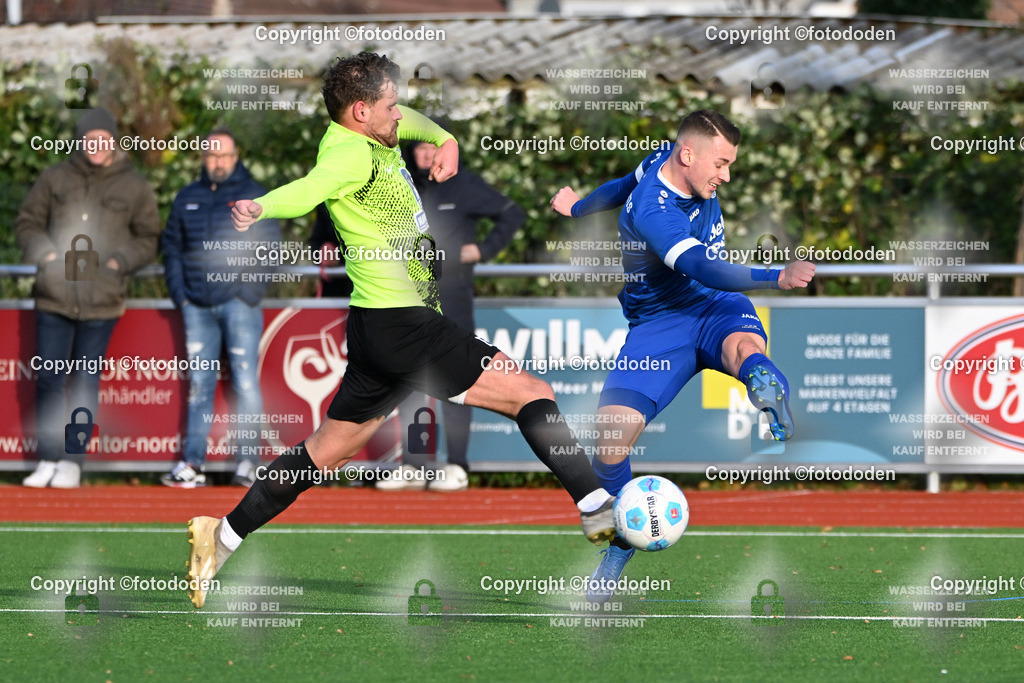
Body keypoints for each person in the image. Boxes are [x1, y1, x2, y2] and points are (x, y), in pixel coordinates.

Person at [183, 53, 614, 609]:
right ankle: (599, 505)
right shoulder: (346, 156)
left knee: (323, 454)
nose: (399, 116)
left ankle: (218, 537)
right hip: (402, 324)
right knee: (532, 393)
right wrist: (259, 205)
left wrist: (448, 139)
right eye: (388, 106)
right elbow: (307, 189)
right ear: (361, 111)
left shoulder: (372, 132)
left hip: (376, 328)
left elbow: (413, 119)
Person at [551, 110, 815, 602]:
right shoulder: (655, 209)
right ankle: (621, 541)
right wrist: (774, 277)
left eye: (731, 164)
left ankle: (766, 387)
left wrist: (579, 207)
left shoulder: (660, 161)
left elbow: (617, 186)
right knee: (608, 444)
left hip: (714, 306)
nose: (727, 176)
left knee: (744, 347)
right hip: (660, 326)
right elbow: (700, 265)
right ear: (687, 155)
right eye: (722, 163)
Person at [15, 107, 160, 488]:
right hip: (54, 297)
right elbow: (27, 223)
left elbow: (149, 237)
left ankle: (72, 462)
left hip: (102, 303)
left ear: (113, 141)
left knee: (83, 382)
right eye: (89, 139)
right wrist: (46, 256)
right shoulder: (54, 177)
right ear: (81, 141)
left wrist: (119, 261)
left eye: (103, 139)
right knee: (48, 379)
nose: (96, 145)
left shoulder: (134, 185)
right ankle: (47, 458)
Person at [381, 138, 524, 491]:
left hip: (454, 298)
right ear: (411, 153)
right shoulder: (402, 184)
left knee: (458, 378)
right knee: (411, 380)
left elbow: (512, 213)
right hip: (409, 297)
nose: (429, 155)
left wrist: (484, 249)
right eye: (421, 149)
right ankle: (415, 466)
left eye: (435, 148)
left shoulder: (465, 185)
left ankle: (457, 465)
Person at [160, 128, 282, 488]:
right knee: (200, 384)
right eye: (212, 156)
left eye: (225, 156)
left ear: (236, 156)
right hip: (196, 305)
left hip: (239, 303)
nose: (218, 162)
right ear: (203, 158)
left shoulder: (254, 194)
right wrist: (180, 295)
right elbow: (172, 247)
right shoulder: (187, 196)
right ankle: (192, 463)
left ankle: (247, 461)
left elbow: (270, 243)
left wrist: (250, 291)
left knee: (246, 382)